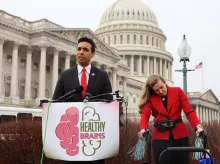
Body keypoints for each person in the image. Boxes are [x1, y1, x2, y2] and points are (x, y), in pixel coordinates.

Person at [52, 37, 113, 164]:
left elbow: (109, 101)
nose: (81, 52)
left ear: (93, 53)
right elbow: (56, 102)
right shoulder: (65, 75)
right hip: (72, 136)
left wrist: (94, 102)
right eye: (79, 49)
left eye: (85, 49)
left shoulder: (102, 76)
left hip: (93, 136)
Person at [137, 74, 204, 164]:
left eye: (162, 87)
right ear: (152, 90)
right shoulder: (150, 98)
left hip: (180, 136)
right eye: (157, 90)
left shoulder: (178, 91)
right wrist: (142, 129)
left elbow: (189, 111)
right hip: (160, 138)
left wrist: (198, 126)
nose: (160, 91)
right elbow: (145, 114)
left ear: (165, 82)